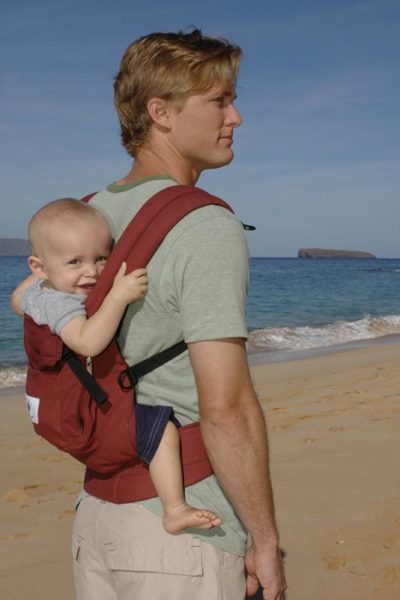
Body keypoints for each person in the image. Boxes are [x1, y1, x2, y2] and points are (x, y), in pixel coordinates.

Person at [73, 28, 286, 600]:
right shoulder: (204, 224)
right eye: (219, 101)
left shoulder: (87, 215)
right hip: (184, 527)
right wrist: (265, 541)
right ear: (160, 112)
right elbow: (226, 409)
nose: (236, 117)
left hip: (96, 515)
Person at [11, 198, 222, 535]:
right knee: (161, 429)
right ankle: (175, 509)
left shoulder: (37, 293)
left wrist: (51, 270)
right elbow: (87, 342)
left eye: (101, 258)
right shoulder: (59, 303)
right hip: (83, 422)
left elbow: (16, 300)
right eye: (75, 261)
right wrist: (118, 297)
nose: (92, 272)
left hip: (55, 414)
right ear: (38, 267)